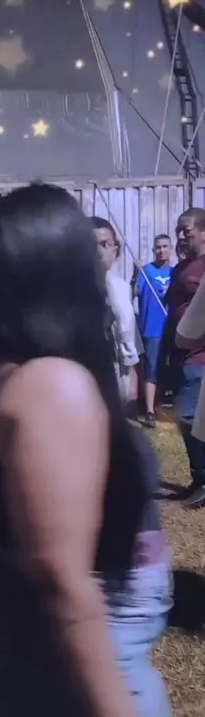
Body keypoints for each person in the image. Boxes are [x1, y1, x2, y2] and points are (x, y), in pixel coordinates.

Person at [0, 184, 190, 717]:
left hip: (26, 633)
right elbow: (60, 576)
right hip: (88, 640)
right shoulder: (52, 384)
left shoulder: (1, 371)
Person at [162, 209, 205, 508]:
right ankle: (198, 479)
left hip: (200, 355)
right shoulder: (181, 268)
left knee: (189, 415)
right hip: (179, 354)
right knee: (185, 417)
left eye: (186, 231)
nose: (180, 236)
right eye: (178, 230)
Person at [91, 217, 139, 409]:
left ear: (115, 250)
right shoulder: (70, 289)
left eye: (105, 245)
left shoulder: (121, 288)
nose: (98, 251)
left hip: (116, 369)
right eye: (92, 245)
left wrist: (132, 370)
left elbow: (128, 330)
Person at [134, 235, 172, 428]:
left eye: (165, 246)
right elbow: (135, 292)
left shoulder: (176, 272)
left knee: (167, 368)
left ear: (170, 248)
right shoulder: (146, 271)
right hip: (151, 328)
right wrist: (136, 273)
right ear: (153, 250)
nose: (161, 250)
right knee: (151, 369)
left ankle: (160, 405)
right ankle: (149, 411)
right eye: (158, 247)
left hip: (171, 328)